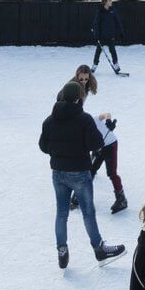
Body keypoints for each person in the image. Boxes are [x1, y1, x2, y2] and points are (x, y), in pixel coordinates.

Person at [38, 81, 127, 269]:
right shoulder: (84, 119)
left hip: (58, 174)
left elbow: (43, 147)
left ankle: (62, 249)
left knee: (61, 213)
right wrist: (108, 130)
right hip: (79, 173)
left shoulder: (49, 120)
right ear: (79, 98)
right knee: (88, 212)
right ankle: (99, 249)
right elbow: (96, 145)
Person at [92, 0, 125, 75]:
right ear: (105, 2)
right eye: (109, 0)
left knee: (113, 51)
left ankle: (116, 65)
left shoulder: (113, 11)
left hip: (111, 35)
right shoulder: (100, 12)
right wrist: (96, 35)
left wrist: (121, 32)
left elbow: (118, 22)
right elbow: (96, 24)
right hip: (101, 36)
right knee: (98, 52)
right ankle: (94, 66)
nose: (111, 2)